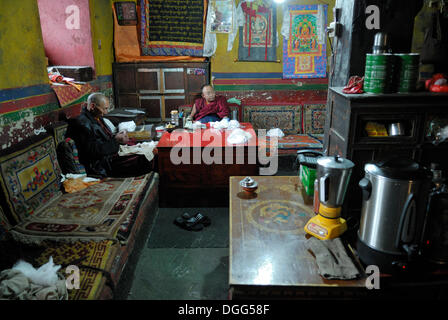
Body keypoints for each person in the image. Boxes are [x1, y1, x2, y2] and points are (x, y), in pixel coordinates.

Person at [66, 92, 156, 178]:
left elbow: (105, 138)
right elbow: (92, 151)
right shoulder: (81, 124)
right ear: (93, 106)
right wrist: (116, 140)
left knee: (148, 152)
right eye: (104, 109)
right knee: (143, 160)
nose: (106, 112)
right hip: (100, 165)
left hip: (109, 156)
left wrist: (118, 136)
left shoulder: (95, 117)